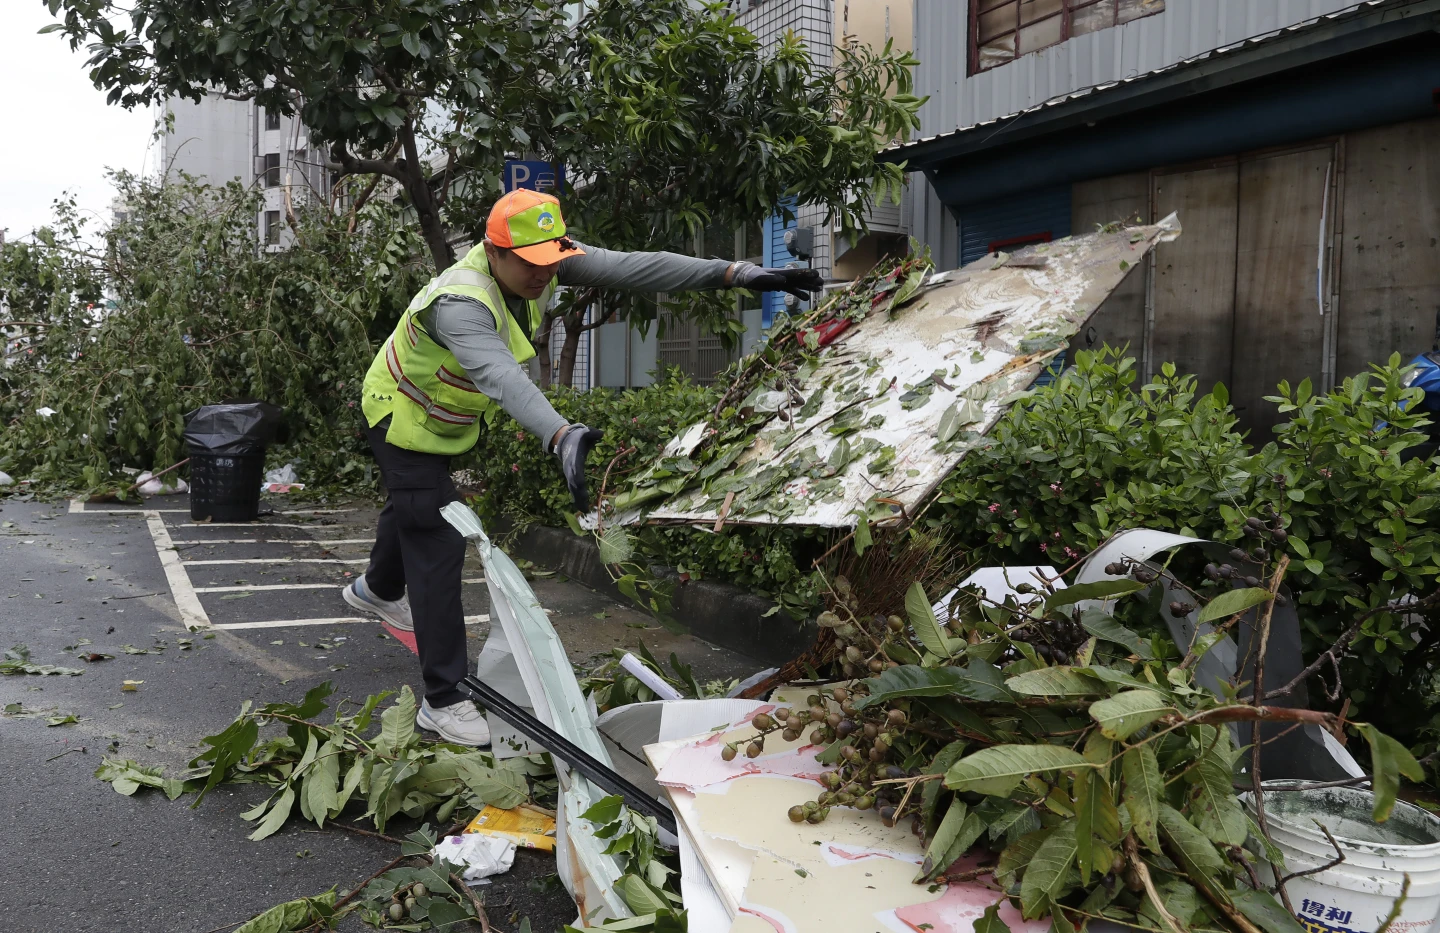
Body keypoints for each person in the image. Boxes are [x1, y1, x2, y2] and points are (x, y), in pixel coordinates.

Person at [343, 189, 822, 745]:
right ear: (494, 251)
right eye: (528, 264)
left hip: (442, 420)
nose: (542, 275)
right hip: (400, 413)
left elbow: (636, 268)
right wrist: (561, 434)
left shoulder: (540, 260)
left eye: (549, 262)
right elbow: (502, 376)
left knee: (413, 507)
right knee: (437, 535)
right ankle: (445, 699)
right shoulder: (461, 303)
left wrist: (737, 273)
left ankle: (377, 588)